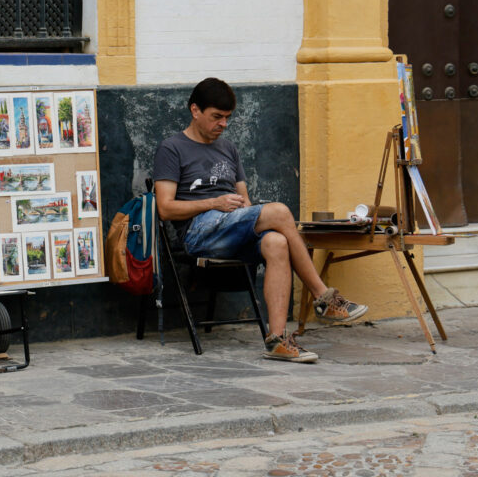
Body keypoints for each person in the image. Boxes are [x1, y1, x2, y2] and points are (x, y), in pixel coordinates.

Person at [153, 77, 368, 363]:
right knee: (279, 211)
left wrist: (244, 212)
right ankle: (323, 297)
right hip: (199, 231)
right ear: (195, 110)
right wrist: (215, 202)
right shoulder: (172, 148)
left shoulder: (228, 149)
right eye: (216, 117)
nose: (223, 124)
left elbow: (246, 201)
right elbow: (165, 209)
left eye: (227, 118)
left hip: (234, 226)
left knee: (276, 241)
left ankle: (277, 340)